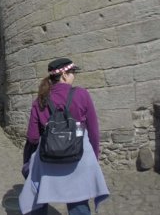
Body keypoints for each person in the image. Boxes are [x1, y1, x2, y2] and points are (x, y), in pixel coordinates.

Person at [19, 58, 109, 215]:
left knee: (37, 199)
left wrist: (28, 162)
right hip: (78, 157)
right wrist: (94, 157)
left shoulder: (40, 100)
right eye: (72, 72)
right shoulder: (82, 94)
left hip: (48, 160)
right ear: (64, 75)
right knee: (78, 204)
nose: (74, 76)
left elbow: (33, 137)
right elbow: (93, 131)